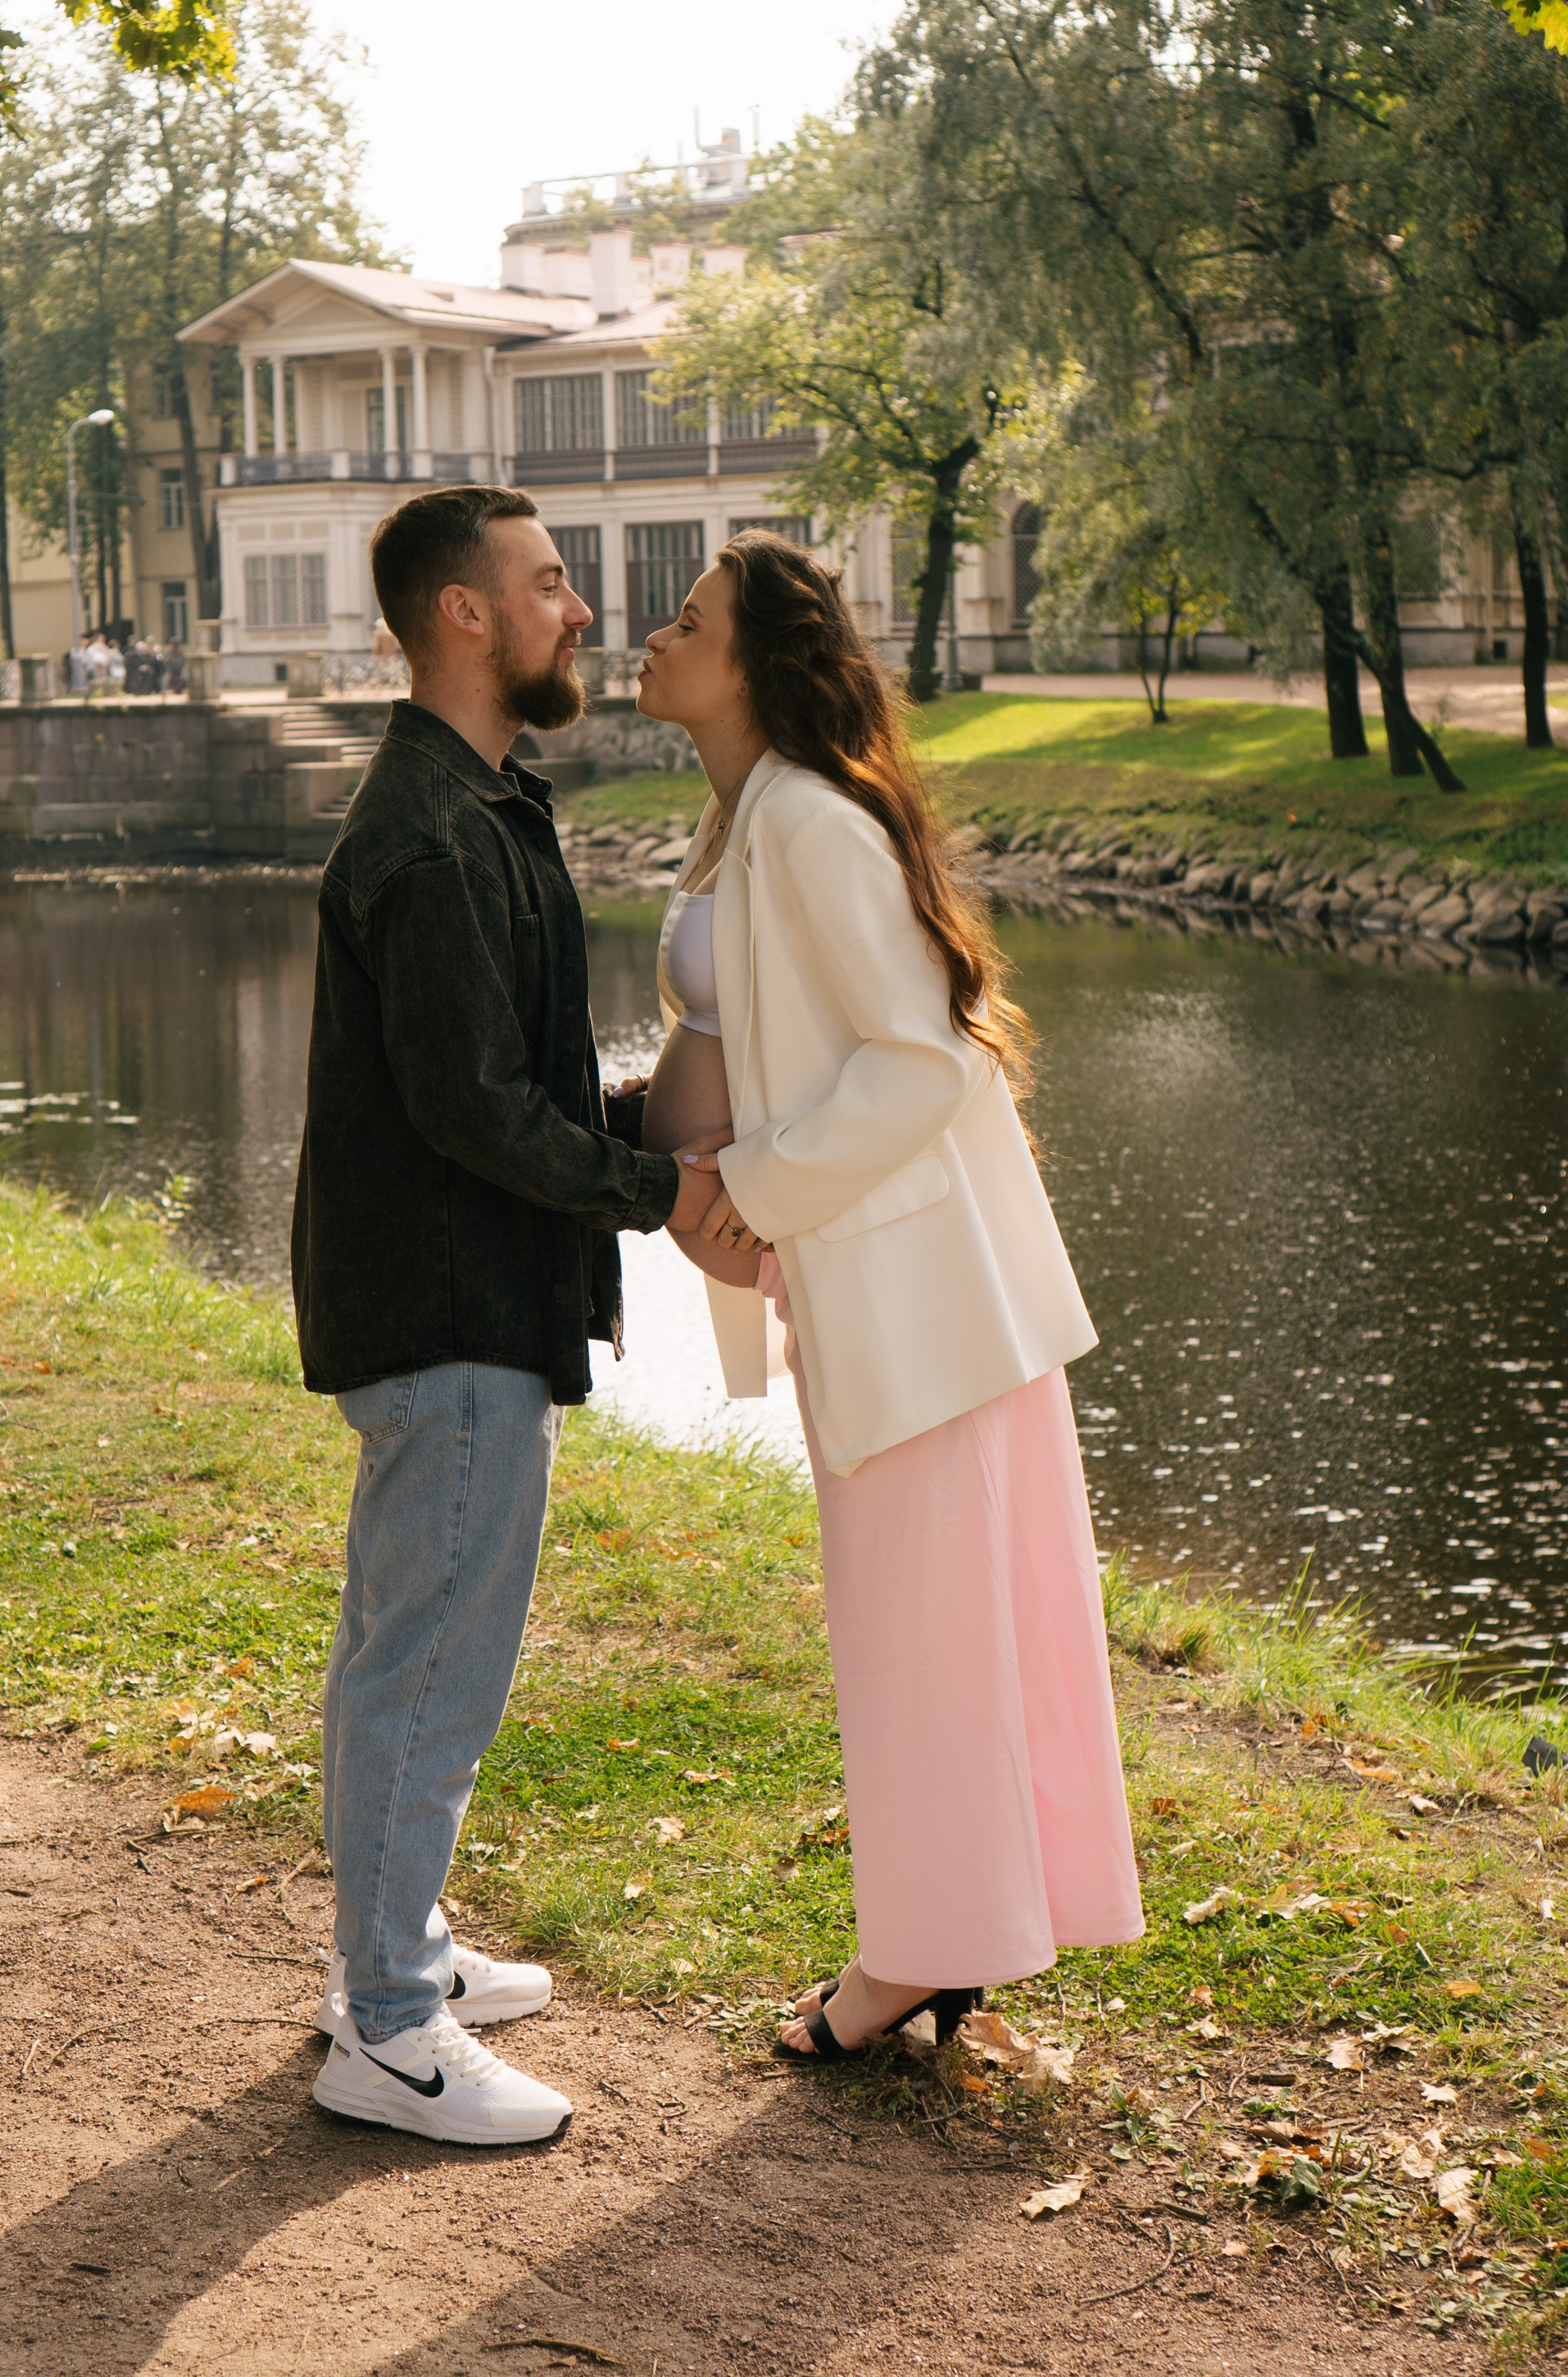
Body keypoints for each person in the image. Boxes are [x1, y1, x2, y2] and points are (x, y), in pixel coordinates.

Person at [635, 530, 1144, 2059]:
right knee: (930, 1629)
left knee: (921, 1635)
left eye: (688, 619)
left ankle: (913, 1958)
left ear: (754, 661)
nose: (652, 637)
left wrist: (759, 1193)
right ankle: (959, 1930)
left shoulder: (804, 820)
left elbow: (917, 1054)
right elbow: (761, 1037)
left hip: (918, 1296)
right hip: (865, 1283)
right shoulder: (745, 821)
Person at [292, 483, 726, 2144]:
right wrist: (662, 1193)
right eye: (548, 583)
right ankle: (391, 2033)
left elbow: (501, 1085)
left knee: (405, 1652)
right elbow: (473, 1109)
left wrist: (644, 1121)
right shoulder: (424, 832)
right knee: (425, 1667)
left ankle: (384, 1965)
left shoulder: (472, 806)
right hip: (447, 1310)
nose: (578, 609)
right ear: (463, 615)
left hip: (457, 1297)